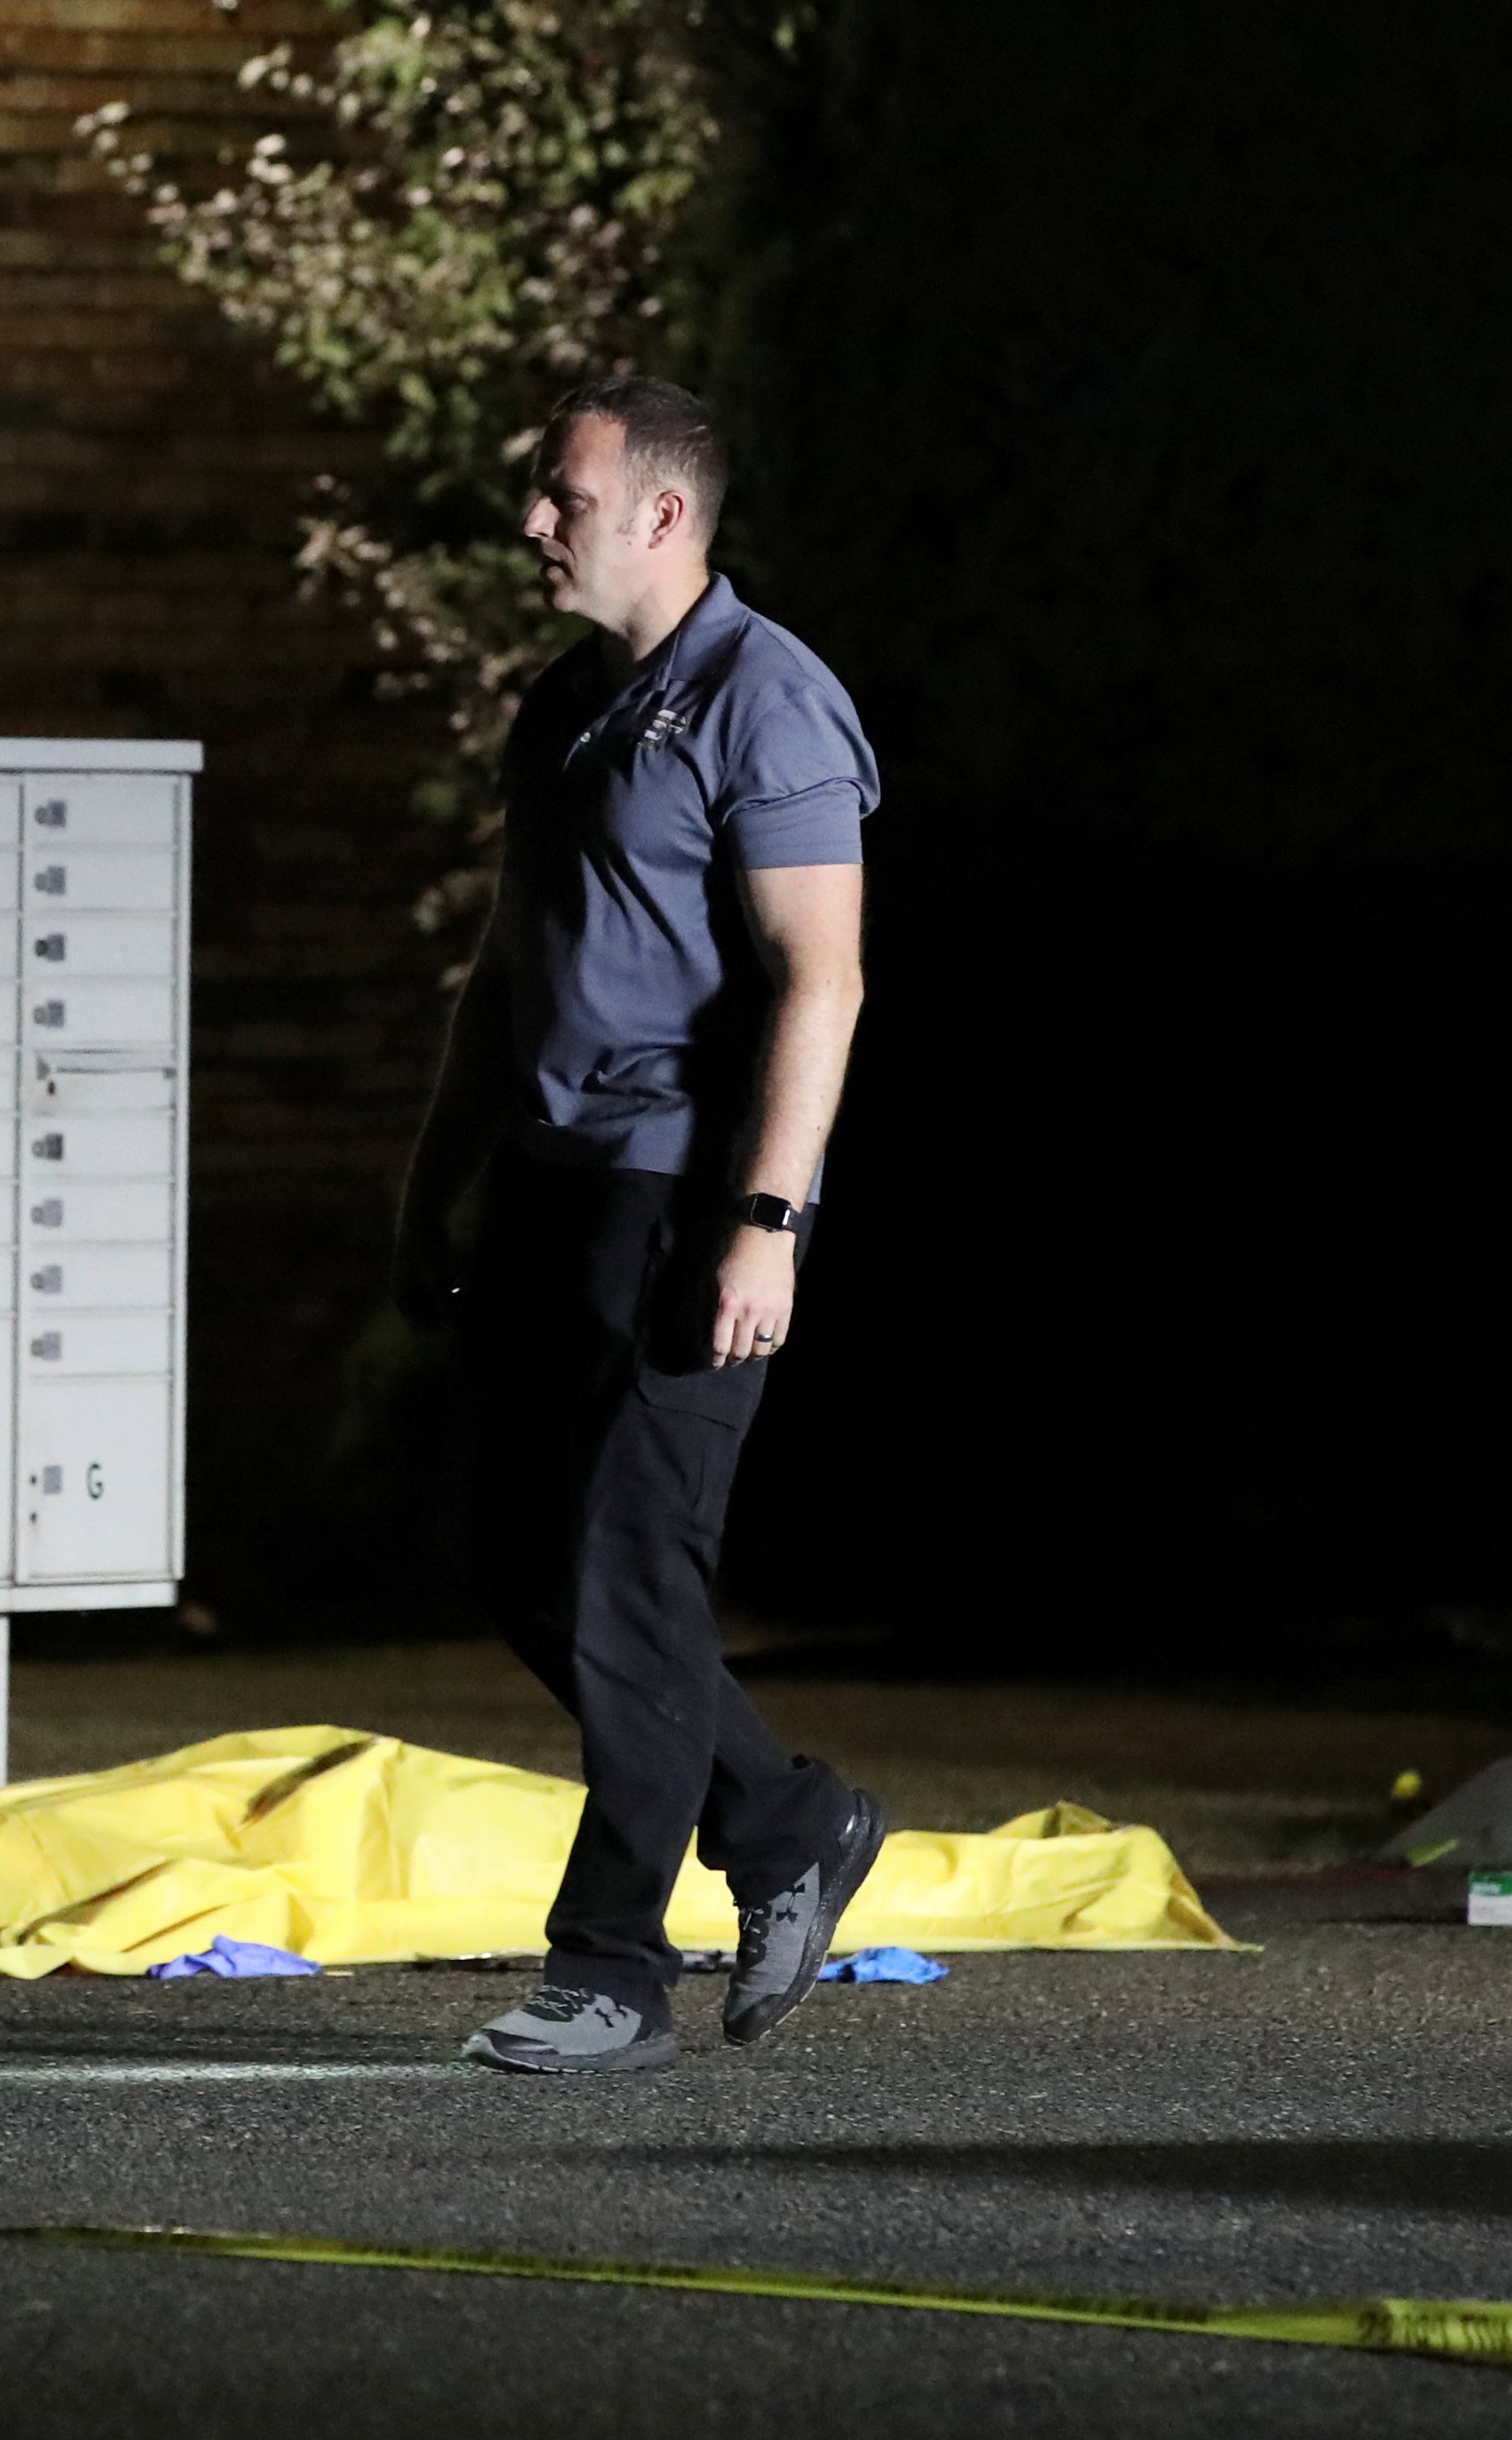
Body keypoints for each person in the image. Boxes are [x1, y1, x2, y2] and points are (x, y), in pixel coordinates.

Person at [393, 375, 886, 2076]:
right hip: (547, 1183)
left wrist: (770, 1220)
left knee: (626, 1566)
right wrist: (432, 1174)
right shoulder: (568, 703)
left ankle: (609, 1967)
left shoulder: (773, 704)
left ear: (664, 514)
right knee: (504, 1547)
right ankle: (787, 1819)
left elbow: (821, 979)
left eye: (561, 496)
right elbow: (501, 968)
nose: (532, 522)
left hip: (685, 1195)